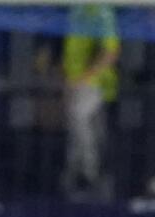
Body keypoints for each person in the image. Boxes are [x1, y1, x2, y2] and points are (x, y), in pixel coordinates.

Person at [62, 4, 119, 200]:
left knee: (80, 121)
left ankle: (90, 176)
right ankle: (77, 182)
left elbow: (110, 52)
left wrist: (86, 76)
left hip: (94, 83)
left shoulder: (102, 11)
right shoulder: (75, 9)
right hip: (75, 83)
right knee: (84, 131)